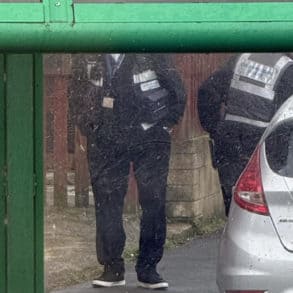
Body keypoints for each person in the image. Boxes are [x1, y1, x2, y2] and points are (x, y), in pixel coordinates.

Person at [69, 53, 186, 289]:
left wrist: (165, 123)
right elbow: (76, 92)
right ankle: (112, 268)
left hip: (149, 134)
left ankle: (149, 269)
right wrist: (88, 127)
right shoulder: (89, 53)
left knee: (153, 200)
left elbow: (176, 90)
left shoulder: (151, 51)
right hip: (105, 137)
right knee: (107, 201)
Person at [197, 53, 293, 216]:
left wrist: (215, 128)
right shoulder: (288, 71)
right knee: (262, 209)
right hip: (263, 147)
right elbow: (286, 120)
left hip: (229, 143)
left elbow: (207, 91)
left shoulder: (241, 59)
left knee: (234, 205)